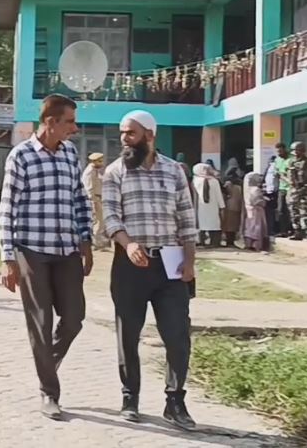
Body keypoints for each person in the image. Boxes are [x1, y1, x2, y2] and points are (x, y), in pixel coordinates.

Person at [0, 94, 93, 421]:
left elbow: (79, 198)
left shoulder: (69, 154)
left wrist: (86, 240)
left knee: (75, 317)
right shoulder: (20, 157)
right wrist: (8, 258)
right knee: (41, 322)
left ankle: (46, 362)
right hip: (31, 251)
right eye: (69, 121)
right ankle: (49, 392)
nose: (75, 128)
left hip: (66, 250)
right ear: (50, 122)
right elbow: (8, 209)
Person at [101, 109, 197, 429]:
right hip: (130, 265)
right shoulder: (114, 172)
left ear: (150, 136)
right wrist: (128, 244)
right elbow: (111, 217)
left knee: (178, 335)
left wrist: (190, 261)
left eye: (131, 133)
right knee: (128, 335)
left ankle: (175, 401)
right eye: (122, 133)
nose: (124, 139)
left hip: (170, 264)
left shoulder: (174, 172)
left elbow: (186, 217)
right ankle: (130, 398)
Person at [192, 163, 225, 247]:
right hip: (213, 207)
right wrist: (222, 206)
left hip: (200, 208)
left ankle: (202, 242)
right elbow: (219, 196)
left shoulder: (195, 181)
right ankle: (214, 242)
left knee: (202, 224)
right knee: (214, 224)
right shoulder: (214, 181)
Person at [287, 141, 307, 241]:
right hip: (294, 190)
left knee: (306, 212)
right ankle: (297, 232)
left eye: (297, 151)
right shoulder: (291, 161)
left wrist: (305, 188)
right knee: (293, 211)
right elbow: (289, 175)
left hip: (305, 190)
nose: (295, 153)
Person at [82, 152, 109, 250]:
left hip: (98, 198)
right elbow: (89, 189)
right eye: (100, 161)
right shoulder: (90, 172)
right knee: (98, 222)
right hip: (94, 199)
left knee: (100, 221)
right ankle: (96, 243)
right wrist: (94, 202)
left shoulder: (95, 171)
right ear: (94, 161)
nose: (102, 163)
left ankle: (97, 242)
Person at [243, 171, 269, 252]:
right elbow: (257, 201)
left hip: (248, 210)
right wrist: (264, 201)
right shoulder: (256, 189)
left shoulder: (247, 189)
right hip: (257, 210)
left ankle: (248, 244)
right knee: (256, 227)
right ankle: (256, 245)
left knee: (249, 227)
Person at [273, 143, 292, 236]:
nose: (279, 153)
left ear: (284, 149)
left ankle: (292, 230)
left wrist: (282, 175)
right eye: (277, 152)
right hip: (281, 188)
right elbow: (276, 171)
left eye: (280, 151)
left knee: (291, 210)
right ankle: (282, 230)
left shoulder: (291, 159)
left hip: (290, 188)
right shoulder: (277, 160)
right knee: (280, 210)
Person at [222, 171, 243, 248]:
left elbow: (227, 194)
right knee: (234, 225)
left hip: (229, 206)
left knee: (228, 225)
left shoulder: (228, 184)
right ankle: (231, 241)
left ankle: (229, 242)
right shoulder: (239, 186)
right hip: (237, 206)